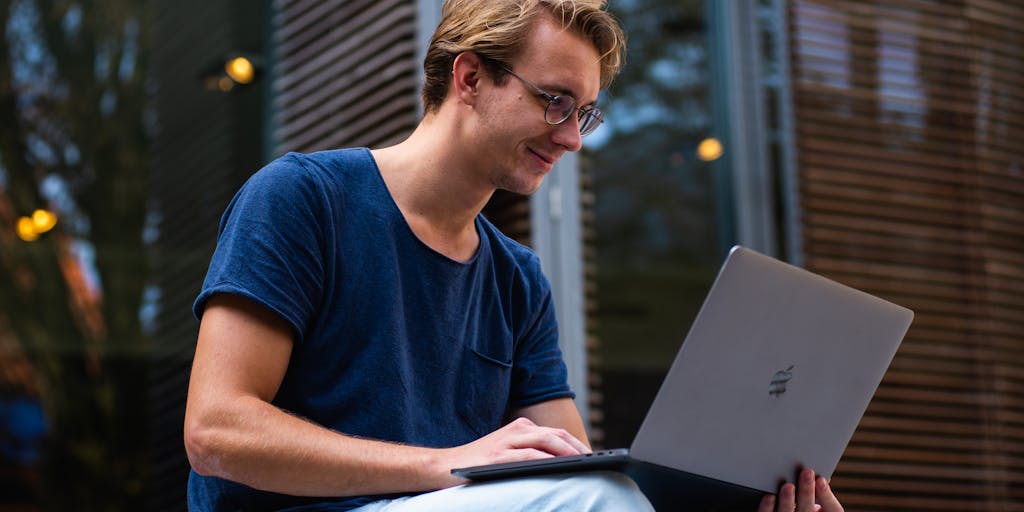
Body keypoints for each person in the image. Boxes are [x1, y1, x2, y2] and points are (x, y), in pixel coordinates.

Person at [183, 1, 844, 511]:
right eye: (555, 101)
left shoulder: (517, 279)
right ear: (469, 77)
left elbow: (572, 467)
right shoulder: (303, 199)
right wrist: (448, 463)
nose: (571, 139)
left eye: (584, 113)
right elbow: (216, 433)